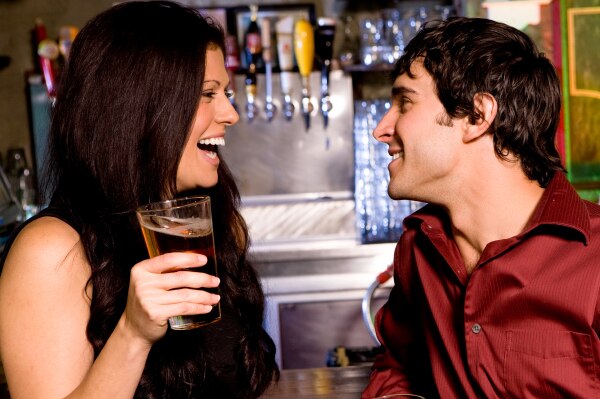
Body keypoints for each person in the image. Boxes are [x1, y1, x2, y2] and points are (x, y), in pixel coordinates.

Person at [0, 2, 279, 398]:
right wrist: (133, 334)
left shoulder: (210, 222)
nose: (230, 113)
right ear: (140, 107)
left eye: (227, 93)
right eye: (207, 94)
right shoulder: (51, 250)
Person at [362, 16, 600, 399]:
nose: (381, 128)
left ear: (477, 116)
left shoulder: (594, 258)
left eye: (404, 102)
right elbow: (401, 366)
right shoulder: (417, 248)